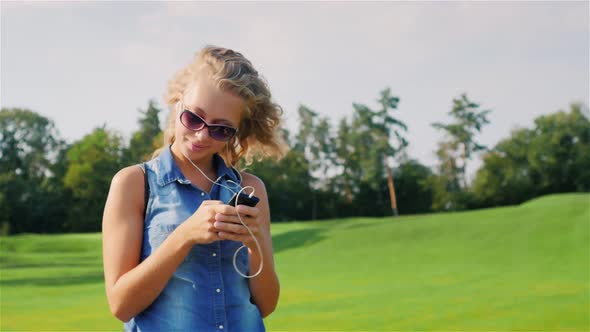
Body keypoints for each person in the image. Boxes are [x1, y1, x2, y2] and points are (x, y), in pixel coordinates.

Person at [102, 45, 287, 331]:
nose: (202, 135)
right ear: (178, 102)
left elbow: (266, 305)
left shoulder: (251, 189)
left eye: (221, 129)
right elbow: (121, 305)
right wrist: (184, 236)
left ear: (236, 131)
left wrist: (254, 243)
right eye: (194, 117)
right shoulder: (133, 184)